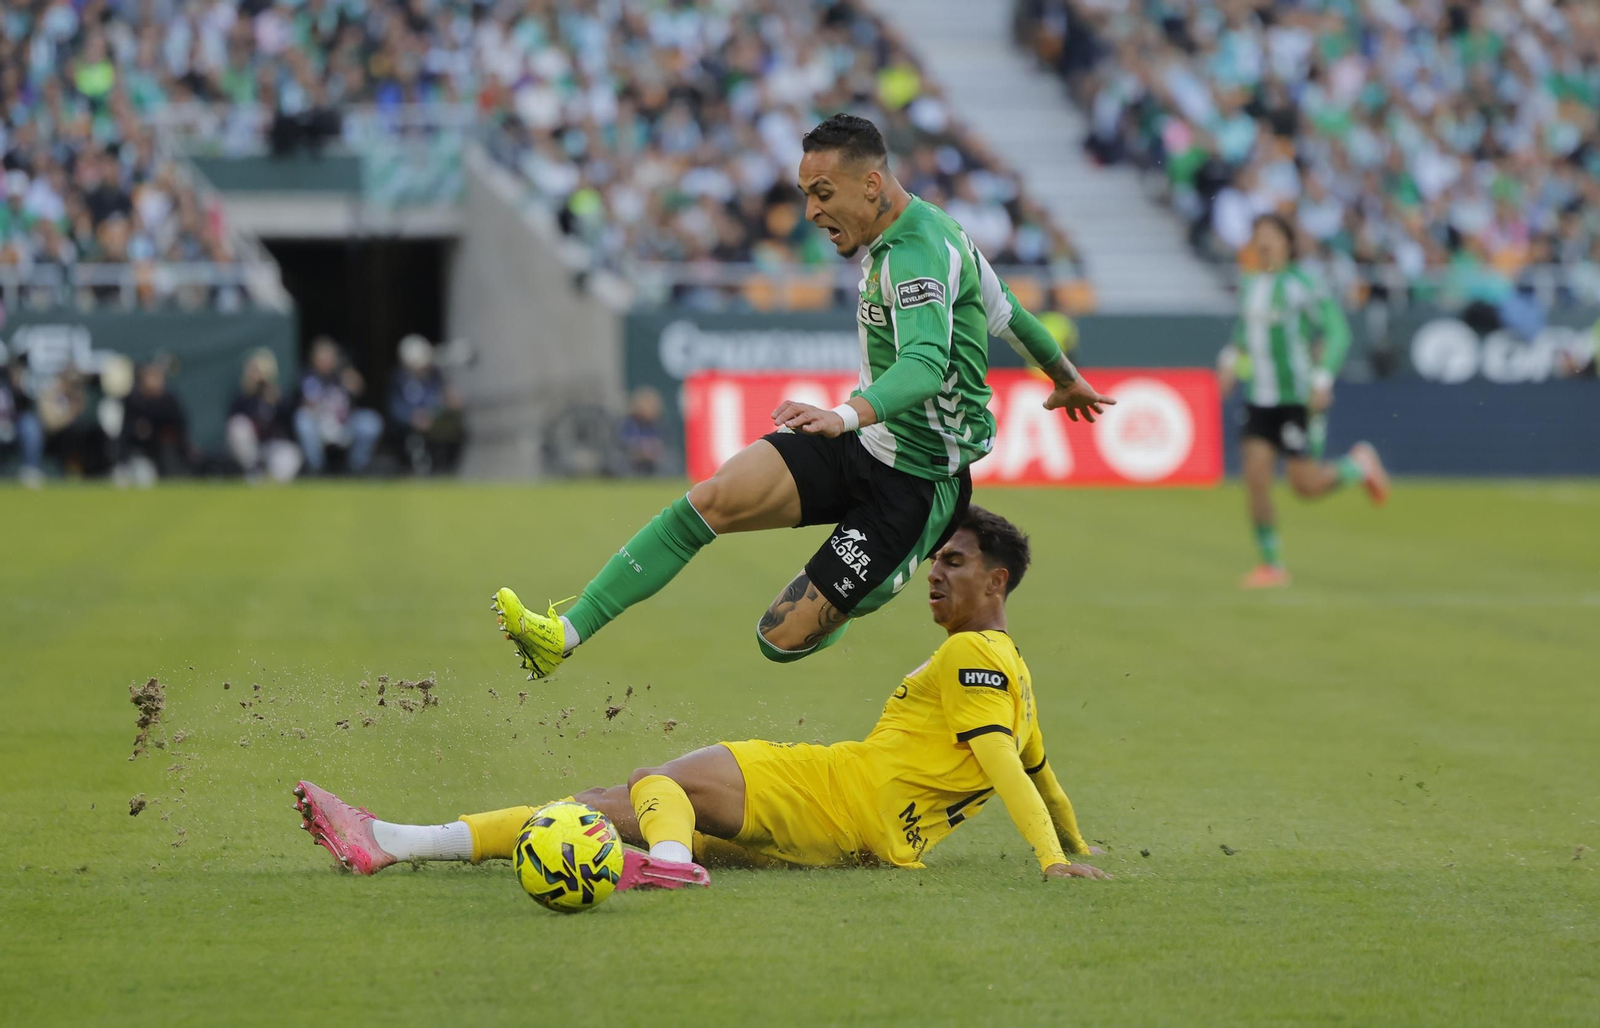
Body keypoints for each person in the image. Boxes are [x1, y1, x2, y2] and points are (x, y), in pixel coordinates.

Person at [493, 115, 1113, 679]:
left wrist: (841, 415)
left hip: (918, 487)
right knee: (709, 500)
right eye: (805, 194)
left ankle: (866, 581)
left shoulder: (917, 255)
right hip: (863, 442)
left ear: (871, 185)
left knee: (778, 637)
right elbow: (1012, 316)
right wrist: (1063, 375)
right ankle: (563, 635)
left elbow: (924, 365)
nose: (812, 212)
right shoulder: (930, 234)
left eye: (824, 194)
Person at [296, 507, 1109, 887]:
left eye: (955, 564)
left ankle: (673, 868)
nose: (934, 573)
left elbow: (1004, 763)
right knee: (598, 807)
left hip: (834, 792)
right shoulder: (1015, 676)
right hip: (862, 835)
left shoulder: (972, 652)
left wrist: (1049, 863)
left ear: (997, 581)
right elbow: (1042, 773)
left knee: (662, 784)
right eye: (935, 561)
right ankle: (392, 840)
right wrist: (1073, 842)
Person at [1216, 214, 1390, 589]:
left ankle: (1359, 465)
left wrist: (1323, 376)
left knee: (1305, 486)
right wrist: (1229, 361)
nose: (1263, 243)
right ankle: (1272, 565)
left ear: (1287, 244)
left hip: (1296, 398)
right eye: (1257, 236)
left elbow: (1337, 331)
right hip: (1258, 398)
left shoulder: (1303, 285)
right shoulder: (1250, 285)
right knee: (1256, 479)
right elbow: (1244, 331)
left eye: (1271, 237)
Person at [294, 337, 383, 475]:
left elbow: (360, 389)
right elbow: (301, 402)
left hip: (344, 425)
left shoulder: (343, 374)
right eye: (321, 358)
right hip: (319, 426)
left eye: (329, 357)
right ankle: (316, 470)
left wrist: (350, 377)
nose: (325, 362)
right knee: (303, 419)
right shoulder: (307, 377)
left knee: (370, 421)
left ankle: (357, 469)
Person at [387, 334, 464, 476]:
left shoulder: (435, 377)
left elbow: (442, 402)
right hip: (410, 427)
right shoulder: (399, 379)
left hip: (434, 422)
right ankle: (409, 467)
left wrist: (448, 402)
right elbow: (395, 407)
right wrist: (412, 418)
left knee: (454, 430)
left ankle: (446, 468)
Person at [227, 348, 301, 483]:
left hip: (273, 446)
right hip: (252, 448)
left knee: (291, 455)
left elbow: (288, 422)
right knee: (238, 426)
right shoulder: (242, 395)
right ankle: (253, 471)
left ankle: (272, 480)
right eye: (255, 371)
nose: (259, 376)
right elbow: (234, 418)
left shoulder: (276, 395)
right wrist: (251, 395)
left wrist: (275, 402)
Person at [118, 359, 195, 484]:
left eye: (157, 376)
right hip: (140, 454)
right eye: (151, 376)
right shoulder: (133, 401)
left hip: (166, 453)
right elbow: (126, 434)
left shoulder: (169, 401)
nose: (155, 380)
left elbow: (181, 429)